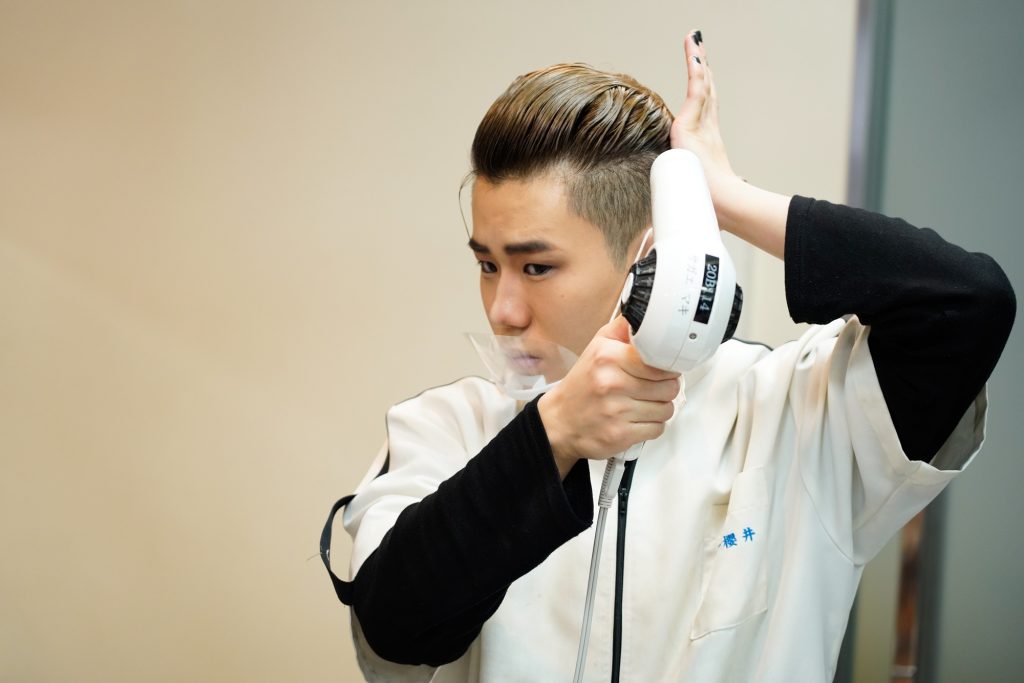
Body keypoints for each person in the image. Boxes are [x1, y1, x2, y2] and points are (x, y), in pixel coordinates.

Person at [321, 31, 1015, 682]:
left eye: (535, 268)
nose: (502, 309)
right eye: (486, 265)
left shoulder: (791, 412)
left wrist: (723, 197)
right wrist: (553, 435)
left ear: (649, 257)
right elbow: (395, 627)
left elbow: (966, 302)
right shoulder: (443, 429)